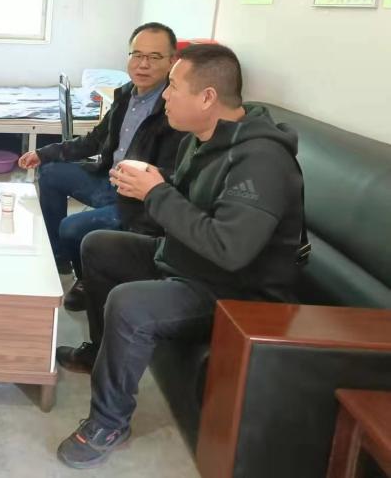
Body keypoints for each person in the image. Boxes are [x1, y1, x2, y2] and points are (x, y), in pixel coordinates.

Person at [55, 44, 306, 470]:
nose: (165, 95)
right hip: (191, 261)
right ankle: (99, 352)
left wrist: (157, 192)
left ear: (207, 97)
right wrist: (154, 182)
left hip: (237, 292)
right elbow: (193, 196)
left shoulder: (261, 161)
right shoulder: (204, 139)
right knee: (99, 244)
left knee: (130, 302)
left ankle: (109, 422)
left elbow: (230, 250)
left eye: (173, 86)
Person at [18, 23, 184, 310]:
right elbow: (95, 140)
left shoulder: (174, 110)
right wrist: (44, 153)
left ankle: (88, 279)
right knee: (50, 172)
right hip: (108, 180)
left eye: (154, 57)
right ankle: (59, 257)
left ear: (172, 61)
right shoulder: (125, 95)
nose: (143, 64)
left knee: (71, 227)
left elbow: (177, 174)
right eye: (137, 55)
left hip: (137, 200)